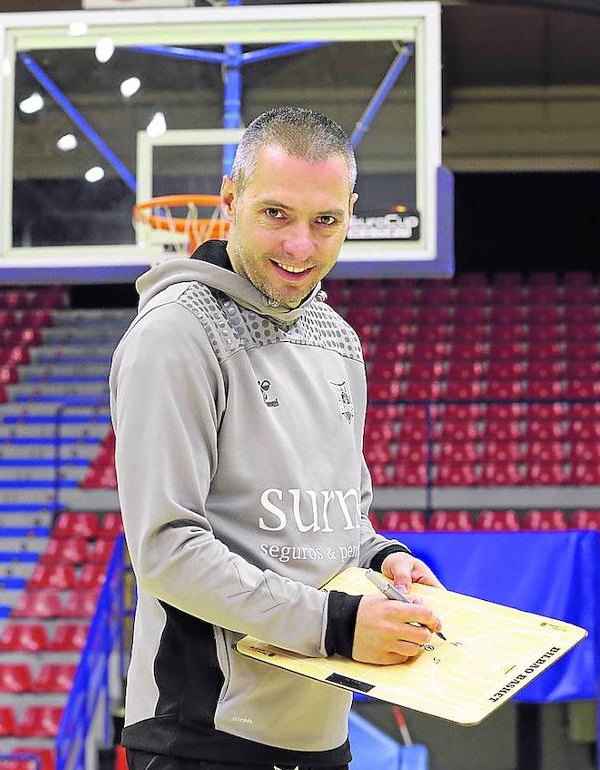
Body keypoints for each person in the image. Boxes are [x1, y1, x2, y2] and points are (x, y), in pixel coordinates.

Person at [110, 106, 443, 770]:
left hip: (321, 733)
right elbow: (166, 550)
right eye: (276, 214)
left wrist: (381, 560)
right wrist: (337, 625)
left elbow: (341, 522)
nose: (300, 247)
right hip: (203, 738)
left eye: (325, 222)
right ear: (230, 200)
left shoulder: (338, 340)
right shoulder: (176, 335)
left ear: (351, 214)